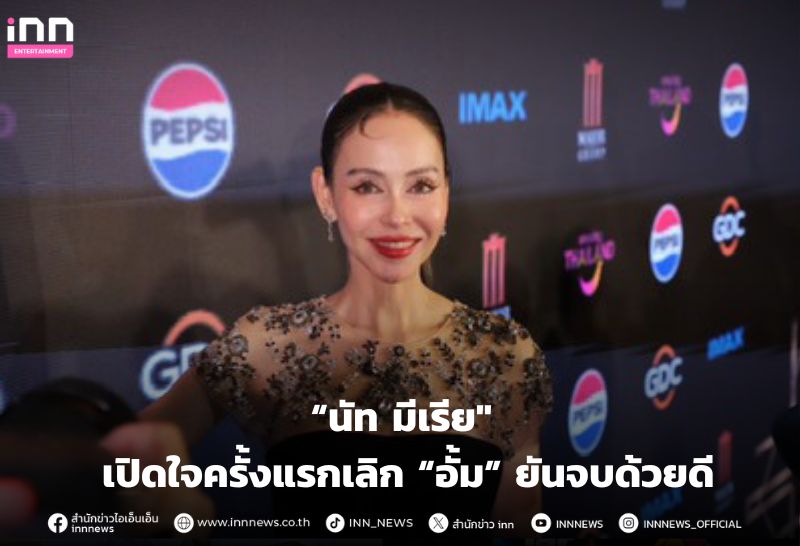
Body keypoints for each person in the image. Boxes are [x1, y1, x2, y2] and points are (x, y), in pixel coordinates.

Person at [126, 82, 554, 538]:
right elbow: (122, 454)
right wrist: (177, 509)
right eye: (368, 186)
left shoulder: (503, 355)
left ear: (446, 193)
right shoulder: (271, 346)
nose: (397, 216)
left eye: (421, 186)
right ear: (326, 194)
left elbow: (521, 524)